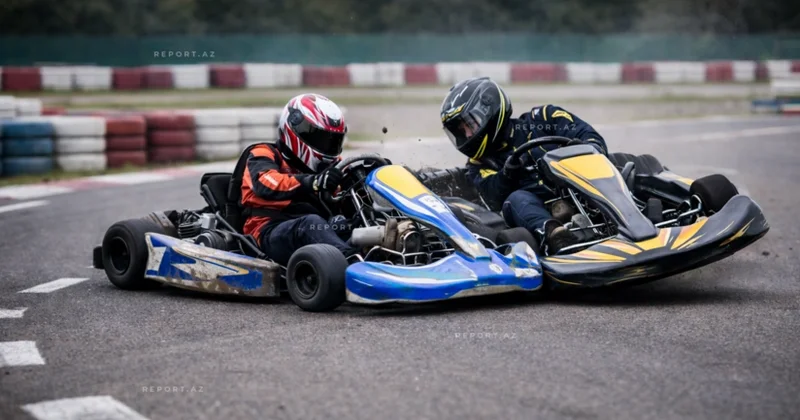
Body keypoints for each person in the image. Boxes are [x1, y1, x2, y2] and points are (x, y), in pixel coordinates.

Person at [439, 77, 609, 254]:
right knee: (516, 199)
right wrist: (507, 174)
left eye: (469, 125)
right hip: (543, 212)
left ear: (488, 110)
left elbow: (590, 138)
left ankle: (631, 213)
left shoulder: (544, 118)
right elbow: (492, 195)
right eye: (461, 131)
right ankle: (557, 236)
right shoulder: (479, 165)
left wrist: (577, 154)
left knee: (617, 167)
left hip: (587, 190)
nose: (466, 135)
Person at [238, 93, 359, 265]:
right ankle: (353, 264)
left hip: (319, 228)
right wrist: (313, 183)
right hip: (268, 230)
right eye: (320, 139)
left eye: (332, 141)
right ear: (296, 130)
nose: (327, 147)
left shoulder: (332, 166)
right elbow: (266, 183)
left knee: (350, 223)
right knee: (311, 223)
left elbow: (348, 189)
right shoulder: (263, 153)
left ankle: (391, 254)